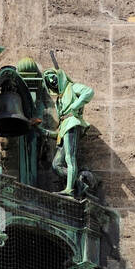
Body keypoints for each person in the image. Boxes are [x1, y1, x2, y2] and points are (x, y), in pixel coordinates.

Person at [42, 67, 95, 197]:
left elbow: (89, 91)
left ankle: (69, 189)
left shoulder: (72, 87)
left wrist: (75, 106)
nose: (50, 79)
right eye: (48, 79)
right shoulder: (59, 99)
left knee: (69, 158)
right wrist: (44, 132)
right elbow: (61, 129)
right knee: (56, 165)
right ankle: (79, 182)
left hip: (72, 123)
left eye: (52, 76)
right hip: (65, 126)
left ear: (59, 76)